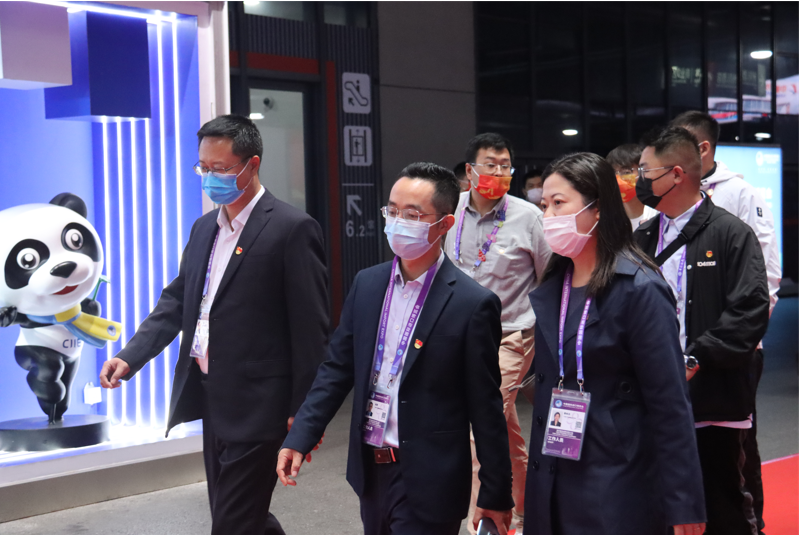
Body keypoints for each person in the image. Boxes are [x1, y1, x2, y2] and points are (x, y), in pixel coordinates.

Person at [98, 115, 330, 535]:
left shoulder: (292, 228)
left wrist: (306, 412)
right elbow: (176, 301)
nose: (209, 178)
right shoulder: (205, 227)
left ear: (252, 165)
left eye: (220, 169)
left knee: (233, 522)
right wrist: (130, 357)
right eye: (203, 168)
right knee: (242, 516)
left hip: (262, 406)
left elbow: (310, 329)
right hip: (211, 399)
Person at [277, 162, 514, 535]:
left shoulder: (472, 304)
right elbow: (337, 368)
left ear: (444, 224)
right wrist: (301, 435)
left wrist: (495, 491)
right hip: (371, 471)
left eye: (413, 215)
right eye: (393, 211)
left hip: (430, 477)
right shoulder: (368, 284)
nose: (398, 222)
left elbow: (485, 406)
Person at [525, 151, 707, 535]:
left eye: (559, 203)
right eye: (544, 206)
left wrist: (684, 502)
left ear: (597, 209)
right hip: (555, 469)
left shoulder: (640, 288)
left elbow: (670, 403)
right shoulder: (554, 284)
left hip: (617, 478)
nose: (548, 217)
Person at [633, 126, 770, 535]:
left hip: (713, 397)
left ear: (676, 174)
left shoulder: (730, 233)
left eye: (645, 170)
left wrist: (695, 359)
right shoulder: (642, 236)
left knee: (723, 503)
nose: (640, 179)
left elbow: (750, 310)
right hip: (652, 398)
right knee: (660, 507)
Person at [670, 111, 781, 535]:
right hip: (682, 346)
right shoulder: (672, 196)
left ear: (702, 148)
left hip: (732, 346)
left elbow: (765, 272)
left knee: (737, 446)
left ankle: (751, 525)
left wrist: (741, 336)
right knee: (692, 443)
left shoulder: (739, 192)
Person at [447, 133, 551, 535]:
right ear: (470, 170)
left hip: (510, 334)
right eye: (490, 165)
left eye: (506, 165)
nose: (499, 172)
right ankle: (524, 508)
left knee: (480, 421)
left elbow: (548, 280)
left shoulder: (529, 217)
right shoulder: (450, 209)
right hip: (457, 335)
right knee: (502, 425)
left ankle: (484, 521)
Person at [606, 143, 659, 229]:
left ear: (643, 172)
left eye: (626, 172)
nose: (618, 179)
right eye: (613, 173)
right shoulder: (606, 216)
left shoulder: (658, 215)